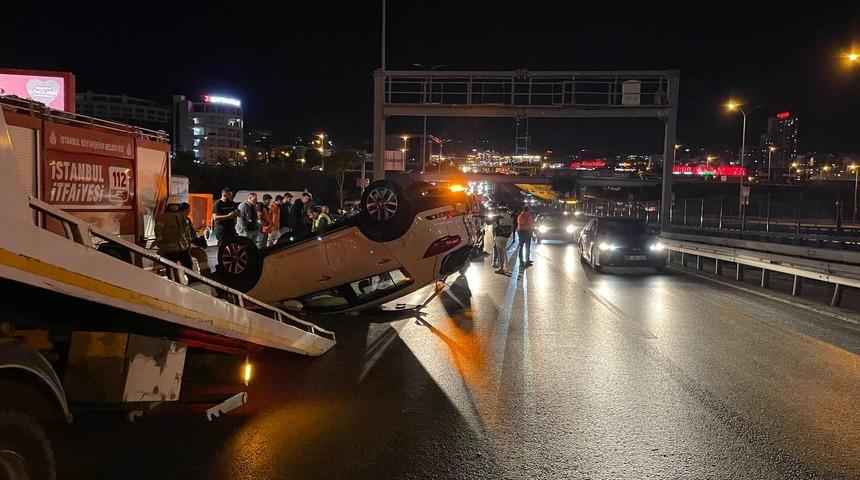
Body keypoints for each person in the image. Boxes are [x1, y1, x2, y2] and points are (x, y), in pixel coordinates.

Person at [155, 196, 193, 270]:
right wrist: (162, 246)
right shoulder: (163, 218)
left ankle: (191, 280)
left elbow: (187, 230)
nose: (174, 207)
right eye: (172, 205)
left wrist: (189, 242)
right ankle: (172, 281)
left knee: (188, 264)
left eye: (176, 205)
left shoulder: (182, 217)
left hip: (183, 248)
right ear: (169, 206)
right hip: (170, 249)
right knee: (172, 267)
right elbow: (158, 232)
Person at [180, 202, 211, 277]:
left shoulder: (188, 220)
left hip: (188, 245)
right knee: (187, 261)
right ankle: (189, 276)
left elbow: (192, 233)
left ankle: (205, 275)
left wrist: (198, 241)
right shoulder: (177, 221)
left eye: (188, 211)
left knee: (202, 254)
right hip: (181, 247)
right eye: (186, 211)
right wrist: (191, 245)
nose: (188, 213)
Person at [492, 206, 514, 274]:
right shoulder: (509, 216)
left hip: (499, 236)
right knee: (505, 252)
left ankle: (501, 268)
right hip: (506, 236)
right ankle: (506, 268)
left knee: (500, 253)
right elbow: (512, 226)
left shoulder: (498, 217)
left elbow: (495, 226)